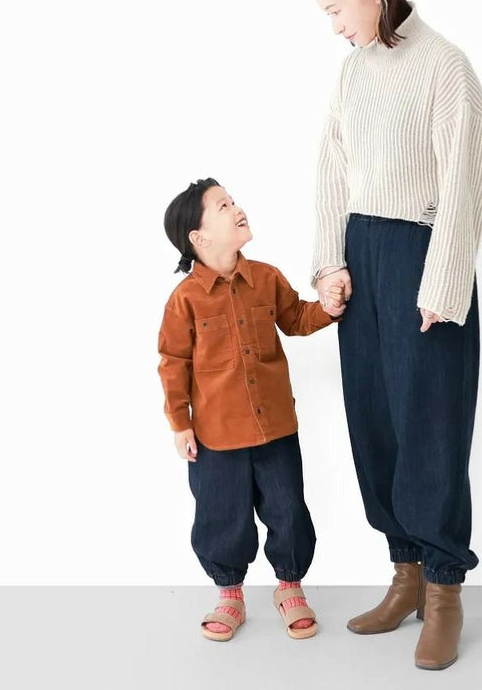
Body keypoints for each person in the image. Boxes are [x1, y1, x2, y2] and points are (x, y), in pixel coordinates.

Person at [309, 0, 482, 670]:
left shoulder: (445, 66)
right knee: (375, 418)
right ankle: (405, 573)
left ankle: (444, 591)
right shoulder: (354, 72)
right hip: (362, 254)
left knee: (430, 424)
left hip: (422, 253)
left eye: (336, 10)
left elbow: (466, 185)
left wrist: (442, 283)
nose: (334, 27)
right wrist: (330, 263)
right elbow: (331, 169)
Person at [158, 178, 345, 641]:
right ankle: (229, 594)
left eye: (233, 200)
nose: (237, 208)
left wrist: (329, 307)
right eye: (223, 206)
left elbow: (296, 318)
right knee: (222, 517)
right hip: (216, 437)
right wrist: (180, 424)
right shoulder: (184, 300)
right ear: (199, 237)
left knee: (288, 509)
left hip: (275, 427)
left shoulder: (266, 277)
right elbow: (173, 362)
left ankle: (289, 586)